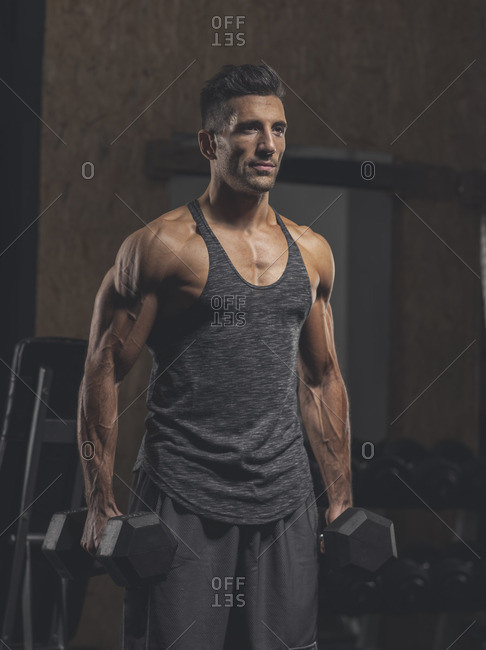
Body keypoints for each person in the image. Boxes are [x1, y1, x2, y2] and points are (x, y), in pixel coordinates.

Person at [77, 63, 352, 650]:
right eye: (249, 129)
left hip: (284, 500)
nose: (268, 145)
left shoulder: (312, 252)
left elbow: (322, 379)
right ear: (210, 142)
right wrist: (100, 502)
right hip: (184, 497)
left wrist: (340, 499)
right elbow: (103, 369)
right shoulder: (163, 248)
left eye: (278, 129)